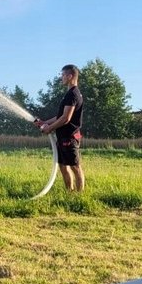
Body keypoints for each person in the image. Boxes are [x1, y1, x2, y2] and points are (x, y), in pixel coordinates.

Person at [35, 64, 85, 192]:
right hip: (63, 136)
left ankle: (79, 195)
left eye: (63, 75)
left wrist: (49, 128)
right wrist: (44, 122)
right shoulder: (69, 94)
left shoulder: (72, 94)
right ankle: (70, 193)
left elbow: (66, 118)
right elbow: (60, 116)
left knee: (75, 167)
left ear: (70, 76)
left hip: (70, 137)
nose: (61, 77)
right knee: (63, 166)